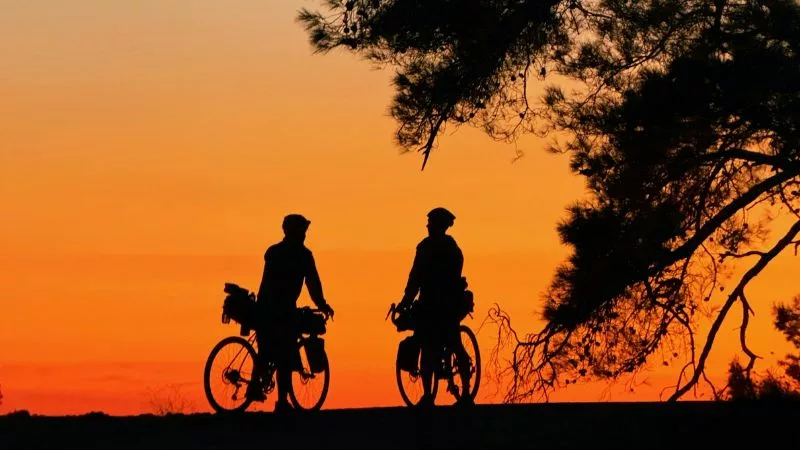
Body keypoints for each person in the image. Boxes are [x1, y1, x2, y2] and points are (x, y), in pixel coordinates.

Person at [248, 214, 334, 412]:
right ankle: (281, 402)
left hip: (266, 306)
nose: (304, 234)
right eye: (302, 230)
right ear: (293, 231)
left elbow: (310, 283)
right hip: (281, 309)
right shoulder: (303, 256)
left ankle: (255, 387)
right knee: (284, 355)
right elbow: (313, 284)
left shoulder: (274, 252)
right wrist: (322, 305)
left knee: (267, 351)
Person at [398, 207, 472, 406]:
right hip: (447, 304)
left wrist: (405, 302)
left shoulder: (426, 247)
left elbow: (415, 277)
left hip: (434, 305)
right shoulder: (452, 247)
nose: (427, 225)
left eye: (430, 222)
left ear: (438, 225)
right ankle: (463, 394)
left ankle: (429, 396)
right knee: (452, 344)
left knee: (429, 347)